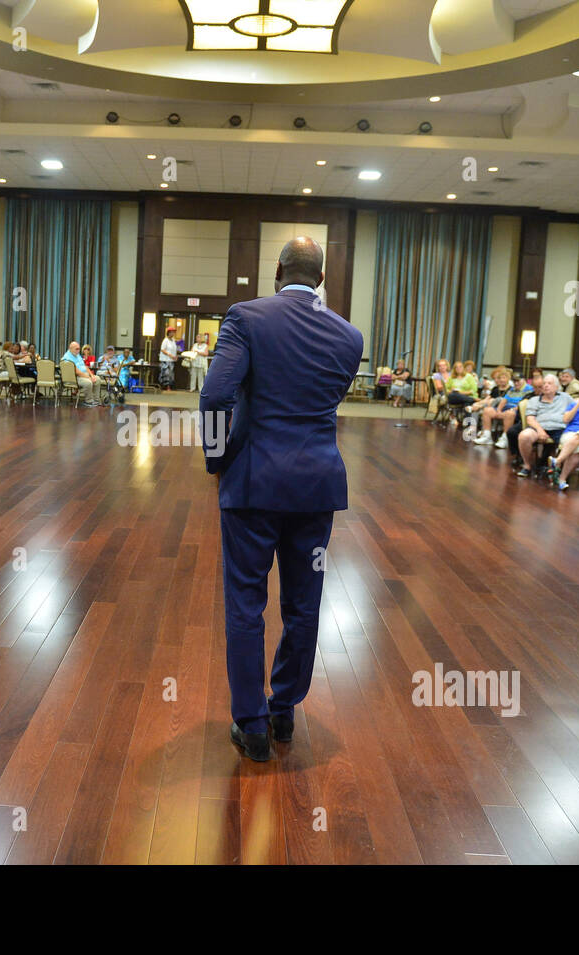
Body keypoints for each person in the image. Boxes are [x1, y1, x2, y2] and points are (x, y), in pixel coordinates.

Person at [200, 236, 362, 763]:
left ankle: (250, 724)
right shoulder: (349, 336)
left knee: (246, 601)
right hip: (315, 485)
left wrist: (216, 459)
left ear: (277, 270)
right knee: (303, 603)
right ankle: (284, 709)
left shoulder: (246, 317)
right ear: (321, 277)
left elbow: (215, 394)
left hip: (253, 484)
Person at [515, 375, 572, 478]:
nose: (546, 386)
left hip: (560, 428)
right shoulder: (534, 400)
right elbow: (530, 419)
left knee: (571, 440)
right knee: (524, 436)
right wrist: (540, 430)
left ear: (556, 387)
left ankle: (559, 468)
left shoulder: (565, 397)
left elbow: (578, 408)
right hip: (539, 427)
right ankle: (527, 465)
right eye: (544, 383)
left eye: (549, 383)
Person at [60, 341, 99, 406]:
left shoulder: (77, 355)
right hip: (75, 377)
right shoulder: (67, 357)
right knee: (88, 382)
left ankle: (96, 400)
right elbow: (76, 371)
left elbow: (85, 366)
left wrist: (92, 375)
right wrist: (89, 377)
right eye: (76, 349)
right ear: (71, 348)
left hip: (84, 374)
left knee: (97, 379)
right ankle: (88, 401)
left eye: (79, 349)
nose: (78, 351)